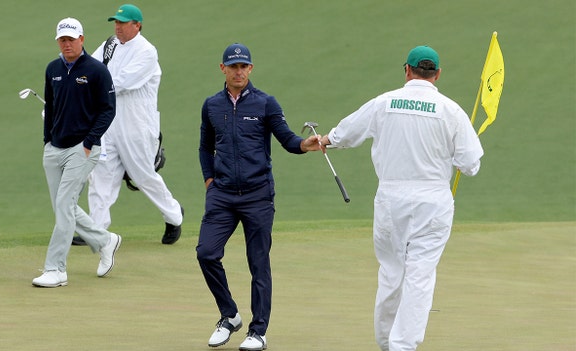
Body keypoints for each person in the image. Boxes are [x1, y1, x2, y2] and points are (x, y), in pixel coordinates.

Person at [320, 45, 484, 350]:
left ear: (407, 70)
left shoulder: (385, 102)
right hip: (434, 201)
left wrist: (324, 140)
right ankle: (402, 345)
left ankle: (386, 342)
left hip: (391, 200)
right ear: (437, 74)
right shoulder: (452, 110)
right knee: (420, 275)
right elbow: (471, 165)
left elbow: (345, 134)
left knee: (392, 272)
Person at [196, 43, 322, 351]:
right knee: (206, 253)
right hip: (222, 194)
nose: (239, 71)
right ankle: (229, 316)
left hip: (258, 195)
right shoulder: (211, 105)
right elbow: (204, 146)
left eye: (244, 66)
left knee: (258, 263)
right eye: (233, 66)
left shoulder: (265, 103)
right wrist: (209, 180)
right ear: (223, 69)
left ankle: (258, 331)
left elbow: (287, 139)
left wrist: (306, 145)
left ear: (250, 69)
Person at [82, 4, 183, 245]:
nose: (117, 27)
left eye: (123, 23)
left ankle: (174, 216)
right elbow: (89, 67)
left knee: (142, 176)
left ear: (137, 25)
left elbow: (120, 82)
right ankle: (96, 231)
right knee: (101, 176)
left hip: (137, 125)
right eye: (116, 22)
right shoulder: (109, 45)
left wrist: (87, 86)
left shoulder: (147, 51)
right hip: (108, 124)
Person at [33, 17, 121, 288]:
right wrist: (47, 140)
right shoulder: (53, 69)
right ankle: (105, 240)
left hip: (82, 148)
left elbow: (108, 109)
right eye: (62, 40)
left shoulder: (96, 71)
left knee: (63, 205)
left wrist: (90, 140)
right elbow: (52, 108)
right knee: (64, 206)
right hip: (54, 147)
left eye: (71, 39)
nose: (67, 44)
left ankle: (56, 268)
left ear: (82, 39)